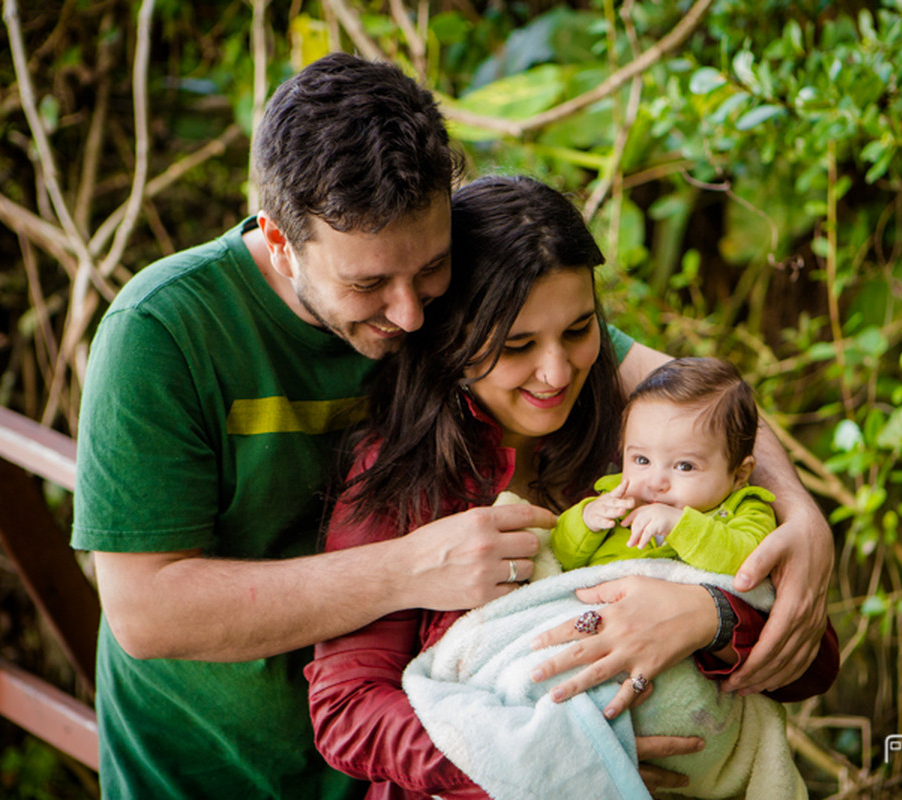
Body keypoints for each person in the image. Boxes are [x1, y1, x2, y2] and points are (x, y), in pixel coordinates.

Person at [70, 52, 831, 798]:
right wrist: (551, 760)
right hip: (214, 766)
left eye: (431, 273)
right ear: (278, 241)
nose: (408, 316)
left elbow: (683, 397)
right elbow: (146, 611)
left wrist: (792, 521)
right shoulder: (164, 332)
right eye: (369, 284)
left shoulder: (506, 329)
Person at [305, 176, 839, 799]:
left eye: (580, 329)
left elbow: (812, 662)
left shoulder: (648, 445)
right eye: (518, 345)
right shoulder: (404, 476)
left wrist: (709, 616)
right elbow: (347, 712)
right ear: (454, 341)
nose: (557, 372)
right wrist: (564, 763)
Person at [551, 357, 777, 574]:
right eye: (642, 460)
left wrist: (680, 526)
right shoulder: (615, 503)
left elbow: (749, 560)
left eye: (685, 466)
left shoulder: (747, 511)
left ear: (739, 474)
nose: (656, 482)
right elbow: (560, 556)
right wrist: (587, 519)